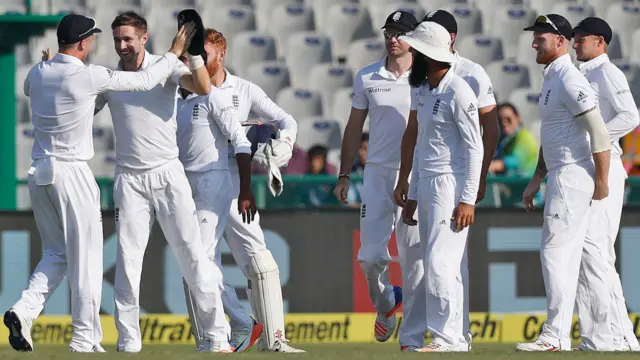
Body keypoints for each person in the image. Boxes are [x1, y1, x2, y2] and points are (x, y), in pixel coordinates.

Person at [2, 14, 195, 353]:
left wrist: (49, 64)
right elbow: (145, 80)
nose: (95, 42)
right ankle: (84, 340)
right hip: (72, 175)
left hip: (39, 174)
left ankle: (24, 310)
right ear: (81, 43)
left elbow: (28, 88)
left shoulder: (38, 72)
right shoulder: (89, 75)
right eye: (91, 37)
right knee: (87, 260)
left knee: (57, 253)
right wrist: (174, 51)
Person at [93, 12, 241, 353]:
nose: (122, 45)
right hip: (129, 180)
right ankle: (129, 340)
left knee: (193, 257)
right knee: (128, 263)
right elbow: (85, 108)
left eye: (128, 38)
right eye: (117, 39)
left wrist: (191, 53)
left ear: (144, 37)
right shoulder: (111, 77)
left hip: (168, 175)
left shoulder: (167, 65)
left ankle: (217, 337)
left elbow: (203, 87)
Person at [181, 29, 305, 353]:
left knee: (260, 262)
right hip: (204, 186)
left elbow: (286, 120)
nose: (196, 62)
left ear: (221, 55)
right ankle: (216, 335)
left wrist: (283, 147)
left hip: (237, 190)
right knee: (199, 263)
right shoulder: (187, 89)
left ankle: (274, 340)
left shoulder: (244, 90)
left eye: (203, 55)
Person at [399, 10, 499, 351]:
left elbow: (475, 148)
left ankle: (447, 339)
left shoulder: (459, 90)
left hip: (451, 185)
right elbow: (423, 146)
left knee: (440, 264)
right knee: (440, 265)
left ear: (428, 54)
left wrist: (468, 198)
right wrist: (412, 193)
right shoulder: (425, 90)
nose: (410, 56)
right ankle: (453, 339)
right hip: (426, 183)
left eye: (415, 51)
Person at [516, 14, 611, 352]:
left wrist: (602, 181)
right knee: (571, 257)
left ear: (561, 41)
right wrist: (537, 177)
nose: (533, 43)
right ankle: (600, 336)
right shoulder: (552, 78)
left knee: (555, 252)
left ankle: (555, 336)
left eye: (540, 37)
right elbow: (552, 135)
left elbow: (599, 132)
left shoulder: (570, 79)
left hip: (572, 174)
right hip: (560, 173)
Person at [332, 10, 419, 347]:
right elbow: (354, 128)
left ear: (413, 38)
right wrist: (343, 173)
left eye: (400, 32)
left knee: (415, 258)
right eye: (389, 32)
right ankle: (386, 304)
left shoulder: (427, 77)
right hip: (377, 174)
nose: (393, 38)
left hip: (416, 174)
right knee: (370, 258)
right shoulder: (367, 76)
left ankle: (412, 334)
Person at [176, 46, 257, 351]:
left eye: (188, 60)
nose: (183, 65)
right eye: (181, 60)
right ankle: (235, 324)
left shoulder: (213, 96)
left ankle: (223, 332)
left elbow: (240, 140)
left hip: (213, 179)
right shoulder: (172, 100)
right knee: (198, 261)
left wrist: (246, 190)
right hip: (183, 184)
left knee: (202, 258)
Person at [572, 17, 640, 352]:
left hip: (606, 164)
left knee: (594, 249)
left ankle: (617, 335)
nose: (574, 43)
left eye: (580, 38)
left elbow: (630, 116)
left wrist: (596, 140)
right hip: (592, 163)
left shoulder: (606, 72)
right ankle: (607, 334)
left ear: (600, 41)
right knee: (592, 251)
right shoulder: (584, 72)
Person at [490, 103, 539, 177]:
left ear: (517, 118)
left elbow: (515, 160)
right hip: (508, 185)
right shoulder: (503, 139)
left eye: (508, 119)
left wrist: (494, 166)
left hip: (525, 185)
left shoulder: (525, 137)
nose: (504, 123)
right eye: (500, 120)